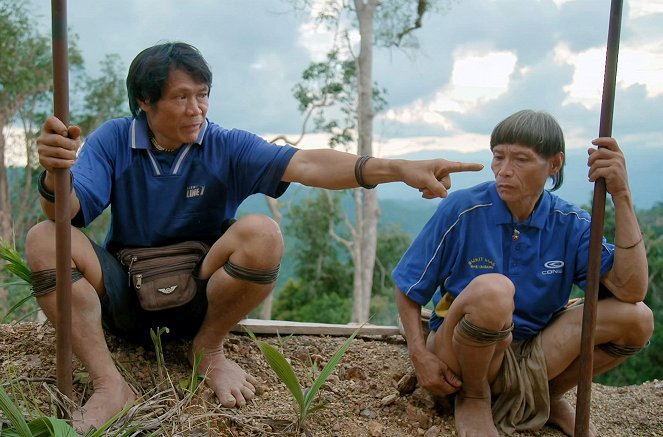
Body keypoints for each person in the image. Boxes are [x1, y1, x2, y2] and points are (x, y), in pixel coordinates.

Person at [25, 41, 483, 432]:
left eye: (202, 95)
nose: (196, 109)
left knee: (263, 232)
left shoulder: (224, 144)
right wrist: (54, 172)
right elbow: (66, 211)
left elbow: (306, 164)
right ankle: (110, 385)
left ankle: (208, 348)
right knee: (45, 237)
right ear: (144, 101)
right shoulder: (113, 141)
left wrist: (398, 169)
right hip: (126, 290)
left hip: (201, 292)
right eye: (181, 97)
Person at [392, 109, 653, 437]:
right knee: (494, 291)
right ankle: (474, 396)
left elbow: (630, 291)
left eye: (521, 160)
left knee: (637, 319)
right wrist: (419, 354)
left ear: (554, 164)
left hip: (534, 351)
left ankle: (546, 395)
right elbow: (408, 285)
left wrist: (622, 196)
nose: (504, 171)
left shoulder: (570, 223)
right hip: (460, 352)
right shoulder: (463, 210)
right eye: (498, 157)